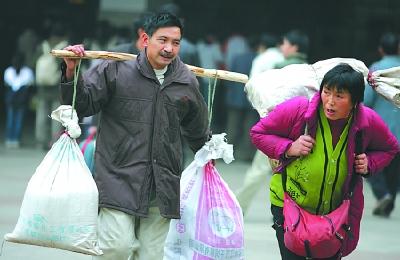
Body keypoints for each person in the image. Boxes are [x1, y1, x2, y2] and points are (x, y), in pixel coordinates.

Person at [60, 12, 210, 260]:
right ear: (144, 39)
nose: (169, 48)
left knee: (152, 255)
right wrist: (71, 72)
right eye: (162, 40)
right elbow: (83, 104)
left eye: (175, 42)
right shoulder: (115, 69)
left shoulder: (186, 81)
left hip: (163, 182)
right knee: (115, 249)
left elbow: (198, 129)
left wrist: (208, 156)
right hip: (118, 177)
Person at [250, 64, 399, 259]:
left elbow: (390, 148)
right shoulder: (299, 109)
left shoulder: (367, 121)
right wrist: (289, 148)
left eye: (339, 96)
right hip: (289, 204)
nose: (330, 102)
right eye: (327, 92)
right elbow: (258, 133)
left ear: (355, 102)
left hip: (333, 214)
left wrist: (369, 163)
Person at [235, 33, 284, 214]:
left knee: (260, 168)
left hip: (271, 118)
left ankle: (239, 206)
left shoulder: (263, 59)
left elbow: (252, 85)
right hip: (294, 123)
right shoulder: (286, 60)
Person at [364, 32, 400, 217]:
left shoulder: (377, 69)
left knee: (370, 163)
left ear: (380, 49)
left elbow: (366, 99)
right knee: (394, 170)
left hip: (380, 129)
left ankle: (382, 194)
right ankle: (389, 202)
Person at [3, 52, 34, 148]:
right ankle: (15, 140)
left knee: (11, 119)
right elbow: (30, 84)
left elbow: (7, 84)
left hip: (12, 98)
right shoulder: (28, 72)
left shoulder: (8, 71)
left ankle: (10, 139)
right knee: (18, 120)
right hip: (21, 98)